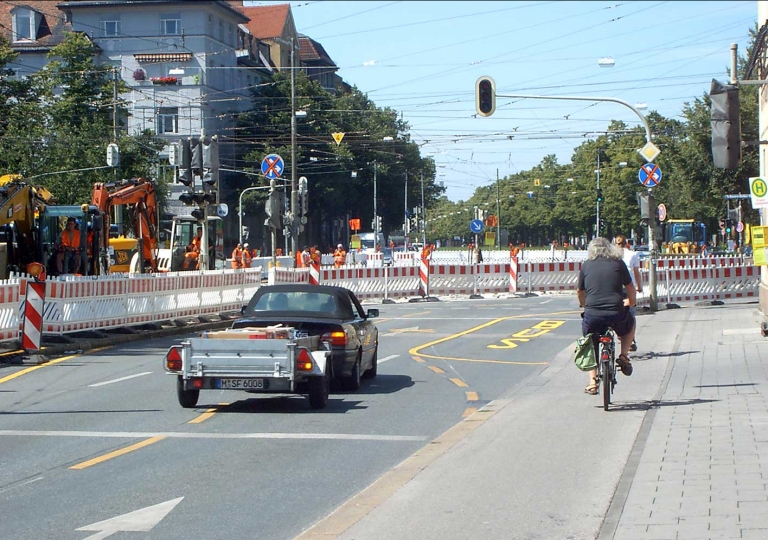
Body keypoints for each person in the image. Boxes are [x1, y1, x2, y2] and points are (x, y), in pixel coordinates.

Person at [577, 237, 636, 396]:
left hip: (593, 314)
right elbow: (629, 286)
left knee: (590, 341)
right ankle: (624, 356)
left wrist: (584, 304)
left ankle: (593, 381)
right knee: (629, 324)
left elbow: (580, 292)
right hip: (616, 311)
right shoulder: (618, 263)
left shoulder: (587, 265)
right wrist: (631, 301)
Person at [614, 235, 642, 352]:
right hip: (628, 287)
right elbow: (636, 273)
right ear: (627, 244)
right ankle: (631, 338)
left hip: (615, 287)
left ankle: (618, 334)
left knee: (615, 311)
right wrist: (639, 287)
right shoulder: (633, 255)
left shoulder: (612, 257)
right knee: (631, 314)